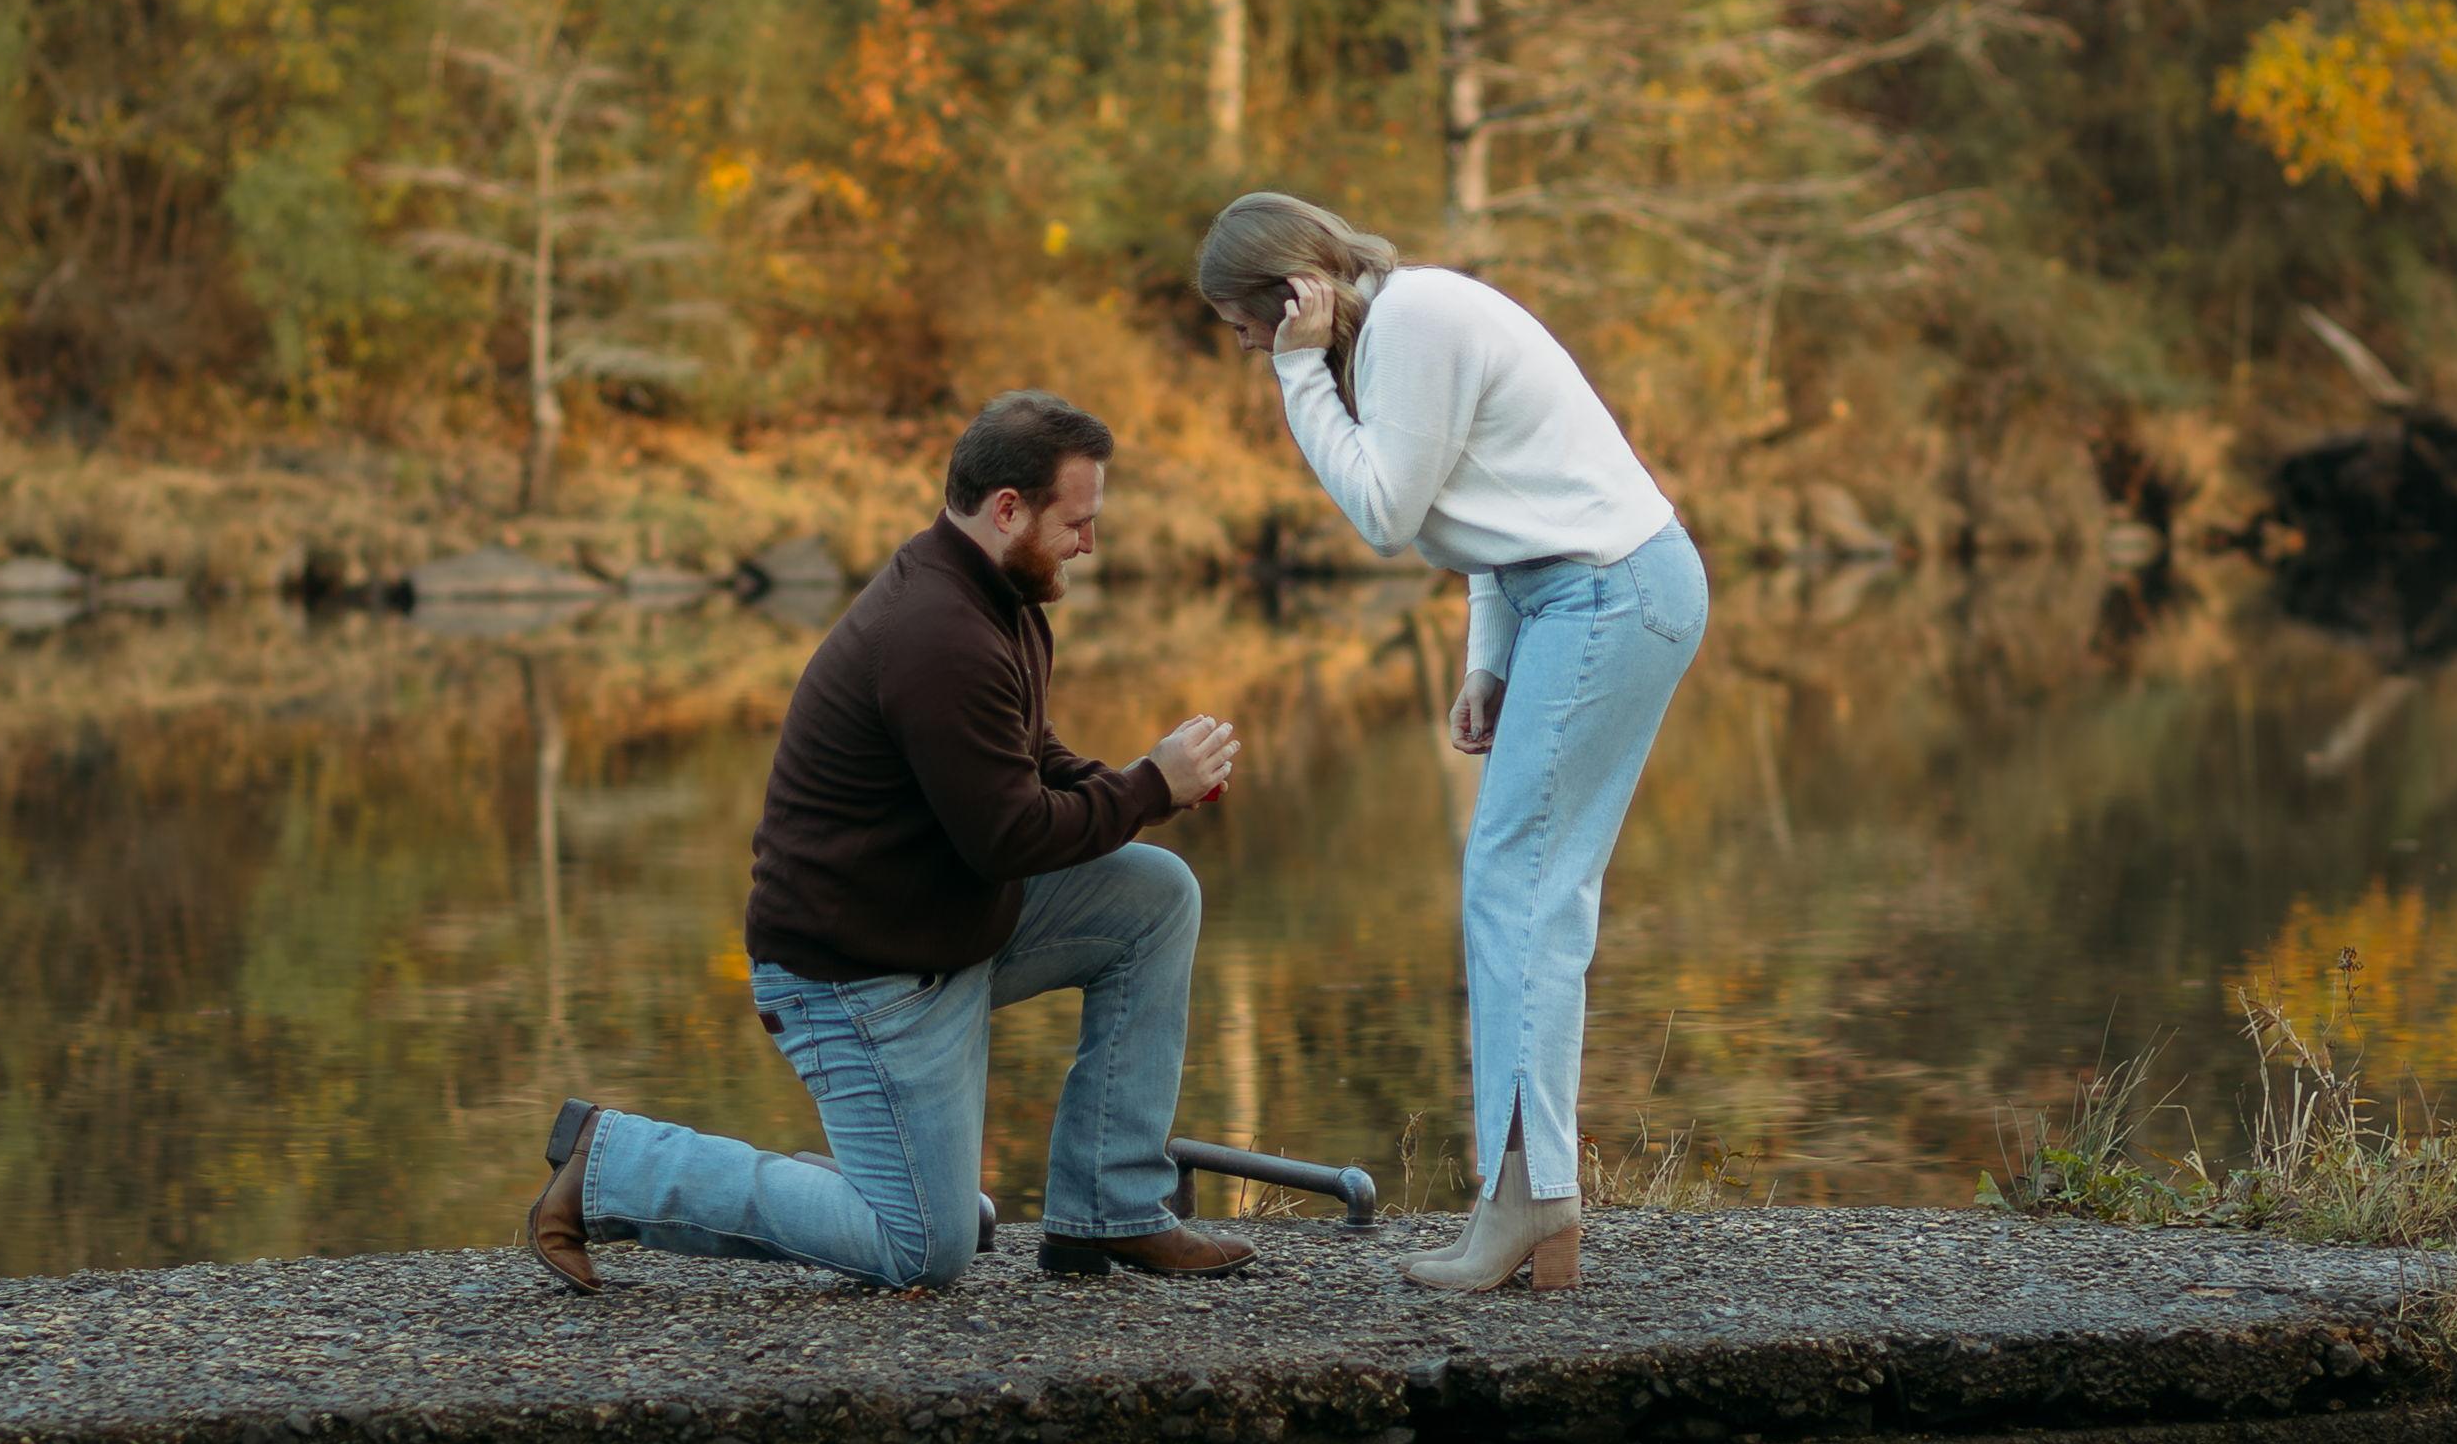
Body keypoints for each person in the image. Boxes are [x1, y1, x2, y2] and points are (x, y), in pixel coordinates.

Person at [522, 389, 1256, 1293]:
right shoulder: (937, 632)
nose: (1089, 543)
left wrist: (1143, 787)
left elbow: (1026, 759)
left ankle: (1107, 1208)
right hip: (853, 979)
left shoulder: (999, 595)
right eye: (1077, 522)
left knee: (1153, 895)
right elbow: (1007, 835)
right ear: (1007, 509)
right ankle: (613, 1164)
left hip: (939, 930)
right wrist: (1145, 786)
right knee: (921, 1247)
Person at [1192, 194, 1711, 1295]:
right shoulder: (1404, 320)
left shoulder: (1412, 321)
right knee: (1531, 890)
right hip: (1578, 591)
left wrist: (1296, 374)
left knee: (1516, 887)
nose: (1245, 349)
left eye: (1244, 328)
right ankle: (1533, 1201)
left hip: (1607, 591)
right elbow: (1489, 492)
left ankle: (1529, 1198)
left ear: (1290, 296)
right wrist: (1489, 656)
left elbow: (1387, 512)